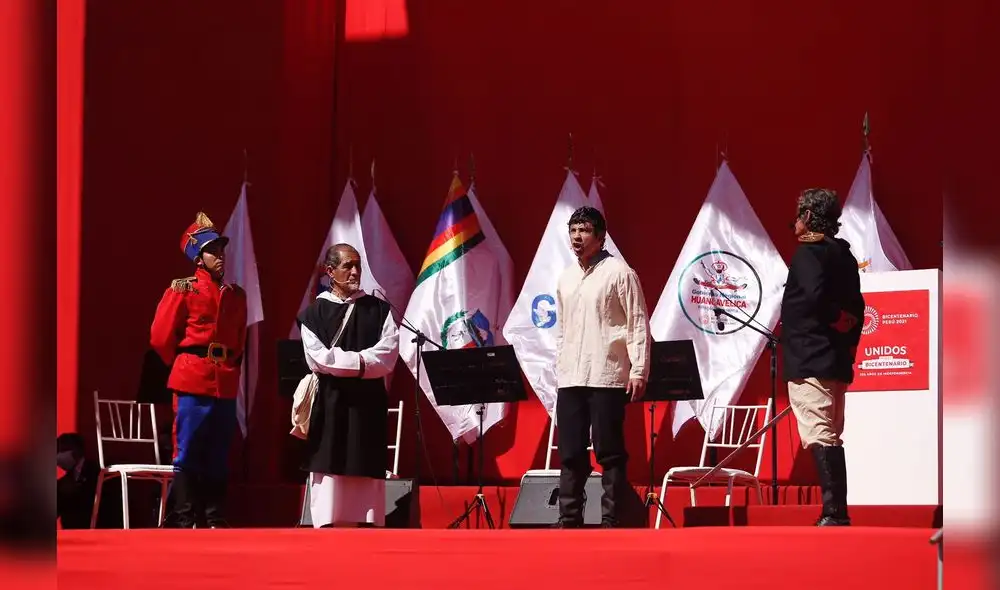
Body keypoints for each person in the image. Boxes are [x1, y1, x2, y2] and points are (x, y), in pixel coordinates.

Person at [554, 206, 650, 528]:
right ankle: (568, 519)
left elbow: (637, 323)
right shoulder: (566, 277)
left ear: (601, 236)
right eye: (573, 231)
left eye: (584, 231)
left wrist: (638, 369)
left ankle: (612, 519)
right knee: (570, 450)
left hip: (606, 374)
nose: (577, 237)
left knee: (608, 450)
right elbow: (562, 328)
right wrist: (560, 364)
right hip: (571, 376)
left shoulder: (619, 273)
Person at [150, 212, 247, 528]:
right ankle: (182, 516)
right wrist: (183, 363)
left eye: (221, 250)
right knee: (188, 448)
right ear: (198, 256)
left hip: (225, 380)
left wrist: (230, 365)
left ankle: (213, 516)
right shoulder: (183, 289)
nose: (220, 257)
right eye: (212, 251)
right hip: (193, 376)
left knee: (219, 450)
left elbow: (240, 338)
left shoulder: (235, 294)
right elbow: (161, 337)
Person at [296, 243, 399, 528]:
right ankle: (327, 522)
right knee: (330, 457)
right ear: (330, 271)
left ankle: (367, 521)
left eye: (358, 266)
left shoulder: (379, 310)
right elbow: (318, 358)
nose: (355, 272)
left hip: (368, 401)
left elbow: (388, 354)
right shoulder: (314, 314)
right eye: (347, 266)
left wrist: (348, 364)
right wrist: (362, 363)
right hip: (330, 401)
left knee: (364, 457)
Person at [780, 188, 865, 526]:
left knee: (820, 433)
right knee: (831, 432)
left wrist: (832, 318)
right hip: (836, 358)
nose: (795, 225)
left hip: (809, 355)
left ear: (809, 217)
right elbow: (858, 308)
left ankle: (834, 512)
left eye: (797, 217)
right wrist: (847, 339)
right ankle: (836, 511)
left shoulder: (808, 254)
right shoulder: (844, 255)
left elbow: (816, 298)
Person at [56, 433, 122, 529]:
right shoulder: (62, 483)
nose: (58, 457)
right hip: (72, 537)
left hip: (98, 533)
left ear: (76, 451)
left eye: (62, 450)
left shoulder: (99, 474)